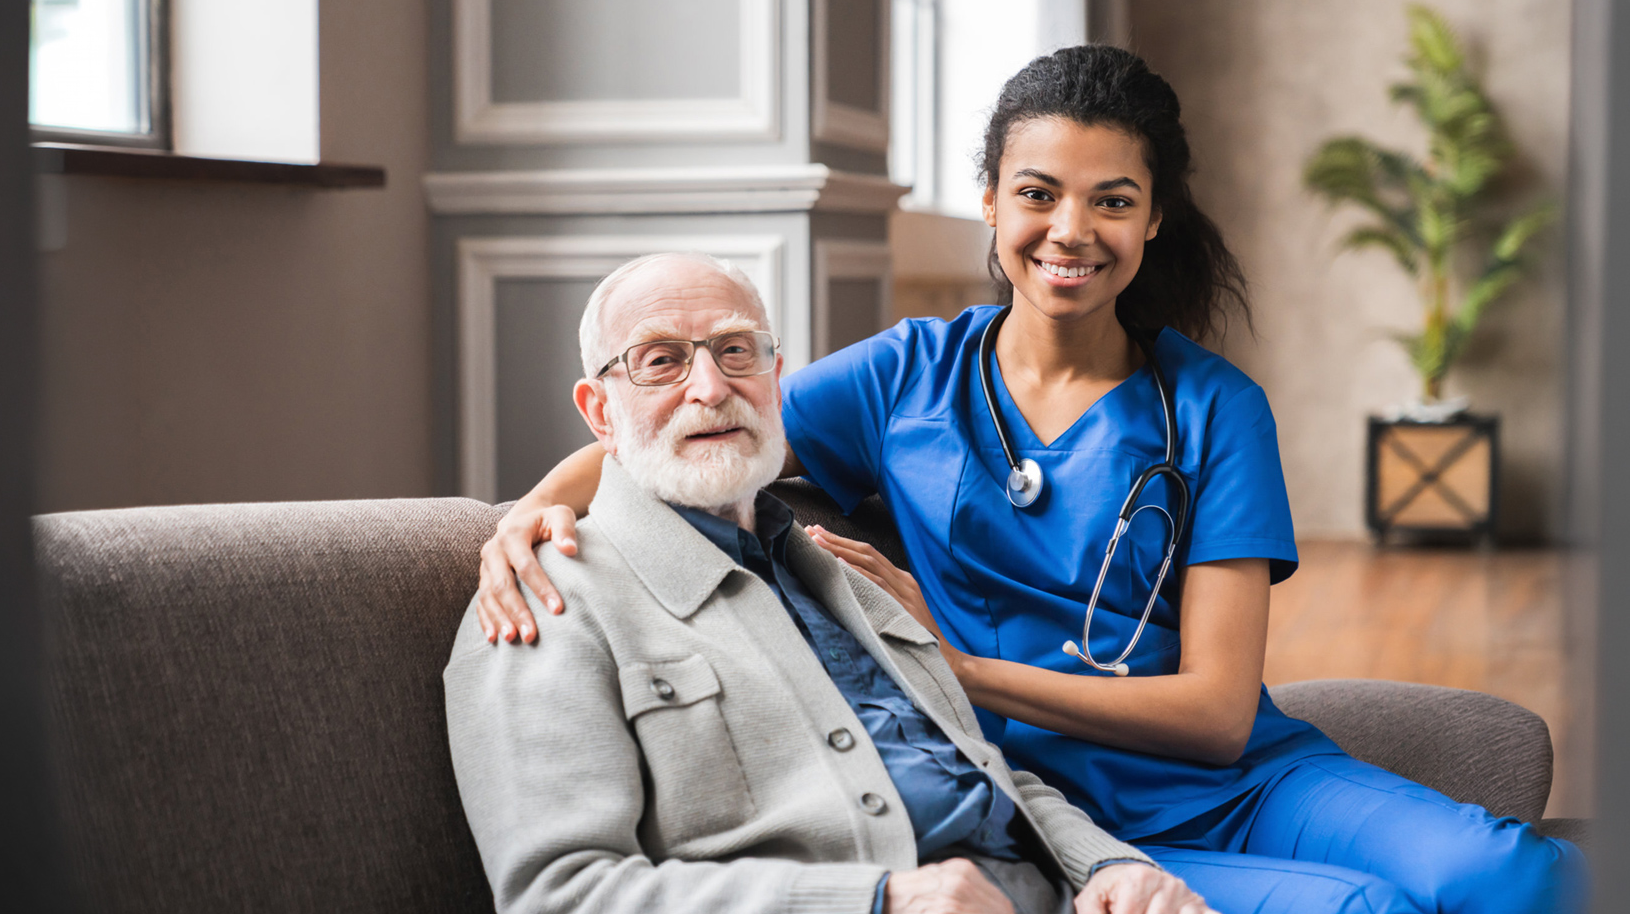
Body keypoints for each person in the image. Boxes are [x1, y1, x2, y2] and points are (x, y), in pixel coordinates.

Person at [470, 47, 1584, 913]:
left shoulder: (1212, 408)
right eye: (1038, 193)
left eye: (1112, 200)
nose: (1071, 231)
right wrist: (528, 515)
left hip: (1233, 780)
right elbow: (696, 419)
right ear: (994, 205)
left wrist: (955, 671)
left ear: (1154, 220)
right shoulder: (902, 376)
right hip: (1046, 815)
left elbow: (1211, 715)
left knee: (1519, 877)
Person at [445, 251, 1215, 914]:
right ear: (599, 411)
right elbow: (563, 894)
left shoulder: (845, 573)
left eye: (736, 351)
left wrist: (1112, 864)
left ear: (776, 379)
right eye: (661, 360)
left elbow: (981, 770)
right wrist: (878, 898)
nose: (711, 387)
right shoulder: (544, 602)